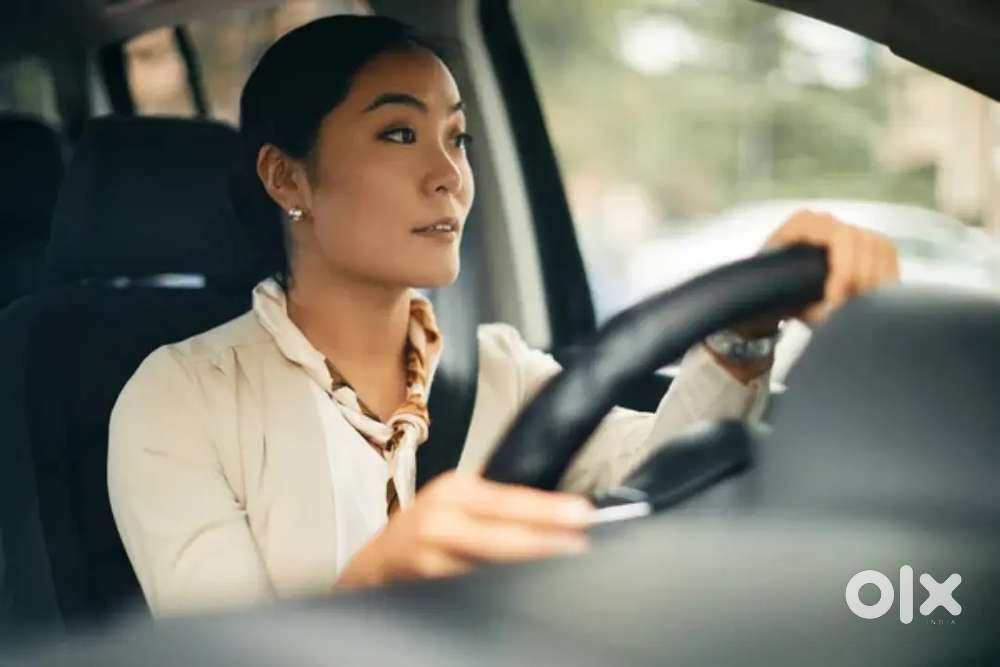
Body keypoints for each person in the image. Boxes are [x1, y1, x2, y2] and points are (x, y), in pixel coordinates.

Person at [107, 15, 899, 618]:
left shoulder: (503, 373)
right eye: (398, 133)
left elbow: (671, 473)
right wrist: (378, 579)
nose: (449, 174)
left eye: (457, 137)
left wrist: (745, 329)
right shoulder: (179, 399)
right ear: (288, 178)